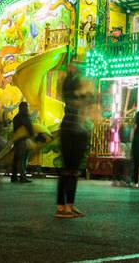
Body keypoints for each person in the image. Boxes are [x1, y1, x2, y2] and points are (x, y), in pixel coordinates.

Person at [55, 62, 93, 218]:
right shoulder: (75, 96)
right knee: (69, 171)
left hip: (73, 132)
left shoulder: (74, 96)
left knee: (70, 171)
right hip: (73, 133)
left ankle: (66, 206)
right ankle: (64, 207)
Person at [10, 102, 34, 184]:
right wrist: (32, 135)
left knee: (16, 159)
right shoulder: (25, 117)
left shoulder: (16, 117)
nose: (28, 108)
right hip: (23, 140)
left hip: (17, 140)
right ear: (25, 108)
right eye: (27, 107)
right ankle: (23, 177)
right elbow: (29, 127)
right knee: (22, 160)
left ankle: (14, 177)